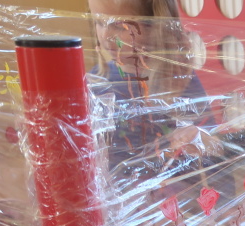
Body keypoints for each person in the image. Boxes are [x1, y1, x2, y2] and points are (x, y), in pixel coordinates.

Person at [88, 0, 225, 201]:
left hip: (175, 202)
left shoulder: (179, 81)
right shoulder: (98, 80)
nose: (106, 35)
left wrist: (198, 138)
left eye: (119, 26)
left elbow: (215, 151)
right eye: (99, 22)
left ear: (155, 27)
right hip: (116, 201)